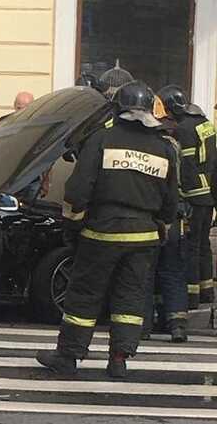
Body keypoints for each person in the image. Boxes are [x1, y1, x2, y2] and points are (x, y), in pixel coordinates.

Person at [36, 81, 179, 378]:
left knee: (85, 294)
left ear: (118, 108)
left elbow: (77, 190)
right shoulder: (165, 147)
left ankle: (69, 356)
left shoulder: (102, 139)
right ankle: (119, 359)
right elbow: (171, 200)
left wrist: (74, 220)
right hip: (144, 235)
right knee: (130, 298)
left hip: (102, 231)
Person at [158, 85, 216, 307]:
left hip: (193, 194)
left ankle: (191, 295)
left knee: (190, 246)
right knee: (203, 244)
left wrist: (179, 196)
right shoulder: (206, 124)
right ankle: (206, 291)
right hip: (208, 194)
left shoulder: (183, 129)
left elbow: (185, 166)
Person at [142, 96, 189, 343]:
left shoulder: (145, 146)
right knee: (172, 270)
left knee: (146, 270)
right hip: (173, 215)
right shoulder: (172, 145)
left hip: (152, 216)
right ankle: (177, 324)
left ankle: (144, 325)